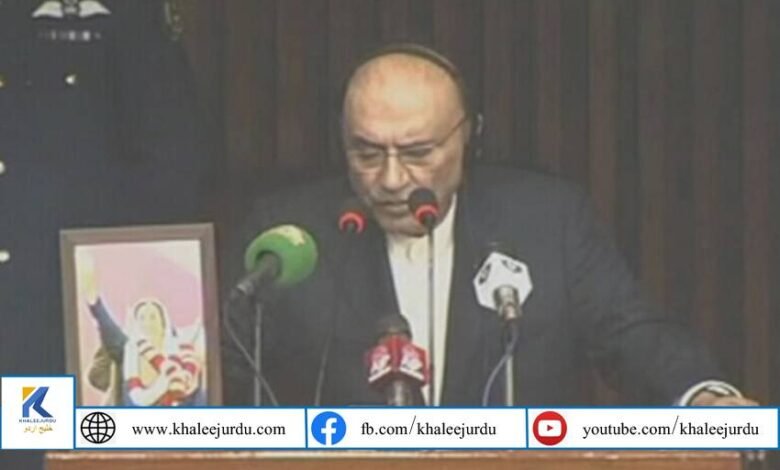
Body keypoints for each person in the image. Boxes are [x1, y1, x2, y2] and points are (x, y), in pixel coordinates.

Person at [223, 43, 755, 408]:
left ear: (469, 136)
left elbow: (631, 336)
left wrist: (703, 396)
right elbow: (227, 364)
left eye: (418, 153)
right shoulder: (288, 234)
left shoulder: (547, 219)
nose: (390, 179)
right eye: (366, 153)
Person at [0, 0, 212, 466]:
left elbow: (172, 188)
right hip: (17, 315)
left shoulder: (142, 35)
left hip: (75, 317)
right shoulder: (12, 25)